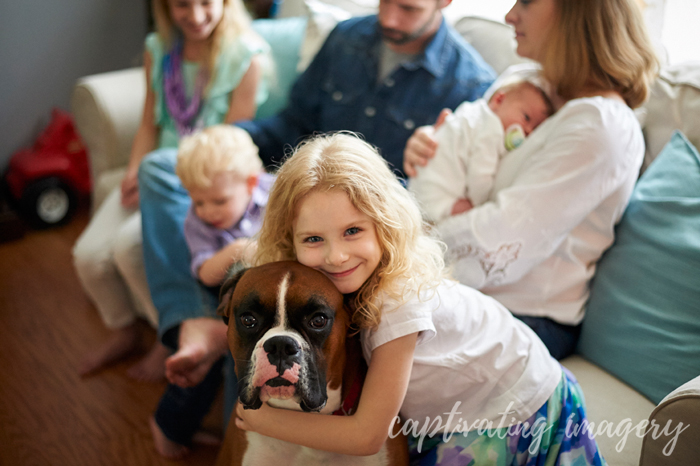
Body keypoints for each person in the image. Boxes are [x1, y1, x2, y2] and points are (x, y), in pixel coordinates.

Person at [142, 0, 495, 397]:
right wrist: (236, 140)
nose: (389, 19)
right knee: (158, 168)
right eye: (384, 3)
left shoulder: (470, 85)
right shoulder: (347, 38)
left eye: (408, 9)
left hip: (365, 221)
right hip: (296, 188)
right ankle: (193, 317)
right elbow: (292, 124)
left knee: (257, 312)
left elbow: (450, 195)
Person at [232, 132, 604, 465]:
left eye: (352, 231)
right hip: (454, 412)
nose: (336, 256)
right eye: (314, 239)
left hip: (519, 407)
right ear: (289, 240)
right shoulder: (337, 284)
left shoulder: (398, 304)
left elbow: (366, 436)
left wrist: (263, 419)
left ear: (385, 223)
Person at [403, 0, 658, 360]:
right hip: (456, 276)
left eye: (526, 1)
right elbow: (470, 143)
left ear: (577, 12)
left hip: (523, 316)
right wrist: (433, 147)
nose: (509, 15)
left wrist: (401, 245)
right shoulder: (527, 81)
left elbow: (497, 243)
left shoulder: (601, 127)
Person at [73, 0, 270, 457]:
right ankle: (133, 329)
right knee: (88, 255)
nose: (196, 14)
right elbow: (149, 120)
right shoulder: (158, 49)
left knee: (127, 251)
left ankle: (176, 332)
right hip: (169, 175)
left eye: (207, 2)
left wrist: (204, 195)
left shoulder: (246, 56)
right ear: (165, 8)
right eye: (183, 4)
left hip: (209, 178)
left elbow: (235, 144)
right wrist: (137, 168)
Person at [408, 78, 554, 223]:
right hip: (436, 194)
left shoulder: (474, 111)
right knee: (466, 209)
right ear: (499, 100)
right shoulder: (492, 131)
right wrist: (480, 203)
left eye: (535, 128)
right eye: (526, 118)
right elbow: (480, 175)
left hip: (420, 181)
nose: (528, 130)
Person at [177, 125, 273, 286]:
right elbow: (206, 275)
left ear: (251, 184)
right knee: (240, 270)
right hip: (247, 288)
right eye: (198, 202)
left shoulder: (276, 191)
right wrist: (237, 250)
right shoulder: (196, 221)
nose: (208, 212)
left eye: (220, 201)